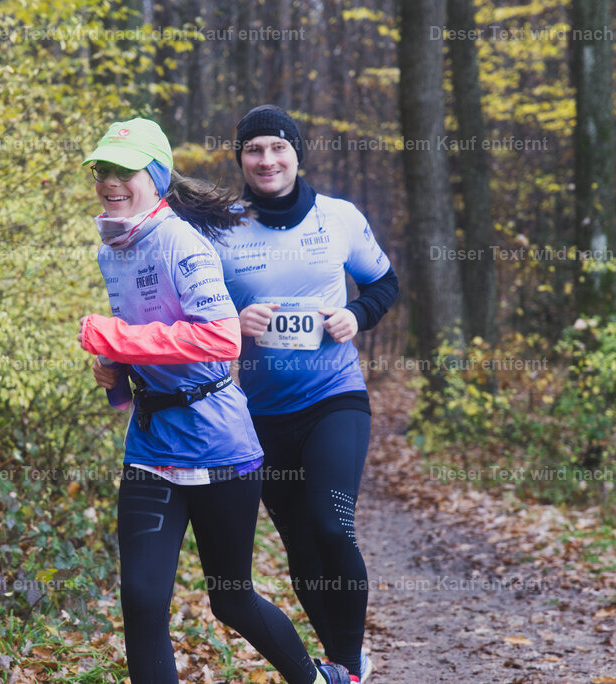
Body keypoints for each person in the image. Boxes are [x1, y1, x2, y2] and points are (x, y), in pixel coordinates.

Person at [78, 117, 351, 684]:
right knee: (142, 599)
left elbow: (220, 337)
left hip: (219, 444)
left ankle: (319, 679)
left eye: (124, 171)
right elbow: (146, 333)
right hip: (152, 446)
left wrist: (117, 339)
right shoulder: (113, 247)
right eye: (103, 170)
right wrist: (117, 372)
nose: (110, 181)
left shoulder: (180, 239)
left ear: (154, 177)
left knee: (231, 598)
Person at [216, 105, 399, 683]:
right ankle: (345, 663)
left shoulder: (338, 217)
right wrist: (233, 322)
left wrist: (355, 314)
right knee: (299, 546)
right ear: (241, 158)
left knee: (329, 523)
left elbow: (384, 282)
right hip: (262, 414)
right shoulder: (219, 226)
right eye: (254, 150)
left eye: (278, 147)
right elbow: (194, 309)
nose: (266, 160)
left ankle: (347, 664)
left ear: (297, 152)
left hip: (334, 397)